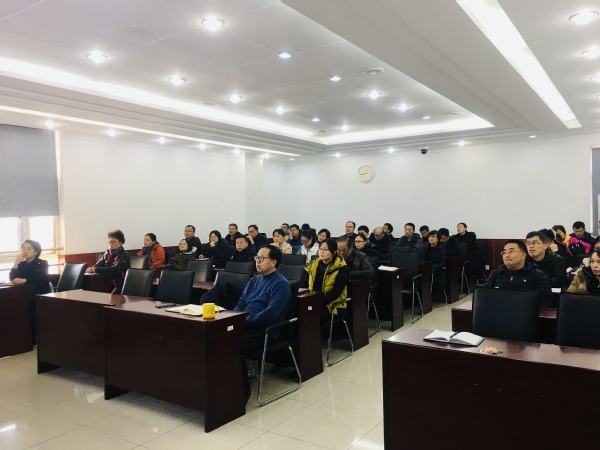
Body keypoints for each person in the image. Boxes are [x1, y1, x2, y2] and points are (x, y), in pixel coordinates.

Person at [233, 246, 291, 403]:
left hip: (265, 330)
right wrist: (234, 318)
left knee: (234, 347)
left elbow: (270, 314)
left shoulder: (280, 284)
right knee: (217, 341)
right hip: (245, 323)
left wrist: (244, 321)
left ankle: (241, 394)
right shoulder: (253, 281)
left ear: (273, 262)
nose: (257, 261)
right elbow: (240, 303)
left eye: (262, 258)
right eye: (256, 258)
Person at [483, 239, 553, 307]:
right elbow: (484, 296)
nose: (507, 255)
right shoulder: (496, 273)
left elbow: (546, 302)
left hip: (526, 313)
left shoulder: (537, 275)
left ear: (523, 255)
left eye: (511, 251)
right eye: (504, 252)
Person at [10, 239, 50, 344]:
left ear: (35, 252)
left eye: (28, 249)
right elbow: (12, 278)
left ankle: (33, 337)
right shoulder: (21, 264)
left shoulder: (42, 263)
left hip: (39, 293)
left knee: (29, 307)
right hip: (24, 294)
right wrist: (15, 264)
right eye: (23, 249)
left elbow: (43, 278)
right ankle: (23, 337)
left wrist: (25, 280)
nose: (25, 251)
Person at [303, 238, 350, 322]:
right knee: (299, 309)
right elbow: (305, 283)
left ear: (334, 252)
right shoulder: (314, 264)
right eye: (320, 249)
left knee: (312, 312)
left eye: (325, 249)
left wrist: (317, 300)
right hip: (314, 300)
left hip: (332, 303)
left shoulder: (341, 267)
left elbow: (336, 292)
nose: (321, 252)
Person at [86, 229, 131, 294]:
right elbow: (97, 265)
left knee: (112, 296)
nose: (111, 244)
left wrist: (95, 269)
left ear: (121, 242)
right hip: (107, 282)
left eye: (113, 242)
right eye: (109, 242)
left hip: (120, 284)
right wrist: (91, 269)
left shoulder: (125, 255)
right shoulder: (107, 254)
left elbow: (116, 268)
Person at [419, 230, 446, 301]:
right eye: (430, 236)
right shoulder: (424, 248)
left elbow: (442, 263)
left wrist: (430, 267)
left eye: (434, 237)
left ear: (438, 239)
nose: (431, 238)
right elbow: (420, 259)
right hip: (424, 269)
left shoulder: (441, 250)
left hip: (435, 271)